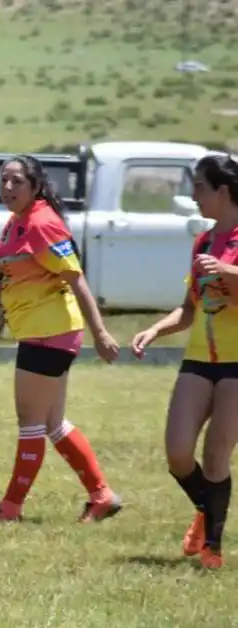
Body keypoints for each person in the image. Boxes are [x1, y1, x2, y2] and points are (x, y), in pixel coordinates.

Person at [0, 155, 122, 524]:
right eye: (3, 180)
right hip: (41, 330)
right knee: (53, 422)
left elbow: (75, 279)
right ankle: (102, 496)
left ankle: (10, 508)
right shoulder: (15, 223)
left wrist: (100, 332)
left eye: (16, 181)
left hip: (50, 331)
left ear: (35, 186)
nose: (7, 188)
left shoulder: (42, 223)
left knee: (31, 420)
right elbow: (15, 274)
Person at [131, 154, 238, 570]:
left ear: (222, 191)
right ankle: (206, 508)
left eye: (199, 187)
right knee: (178, 453)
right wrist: (155, 330)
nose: (192, 196)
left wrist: (230, 272)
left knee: (215, 457)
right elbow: (190, 309)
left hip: (236, 364)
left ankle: (212, 544)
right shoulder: (203, 242)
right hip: (198, 358)